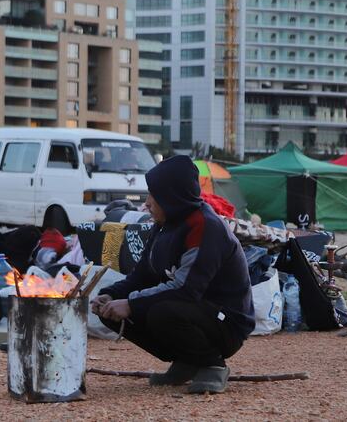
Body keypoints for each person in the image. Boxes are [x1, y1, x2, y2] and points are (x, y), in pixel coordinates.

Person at [92, 155, 254, 394]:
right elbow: (141, 275)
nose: (147, 203)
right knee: (111, 312)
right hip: (192, 310)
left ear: (171, 197)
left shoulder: (204, 227)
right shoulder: (164, 224)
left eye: (153, 195)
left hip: (226, 322)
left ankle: (212, 364)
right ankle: (187, 361)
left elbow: (186, 290)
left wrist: (131, 303)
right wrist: (109, 295)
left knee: (161, 311)